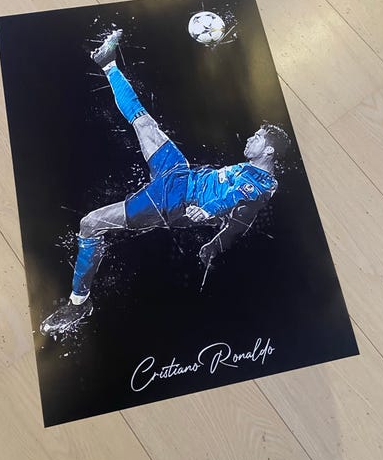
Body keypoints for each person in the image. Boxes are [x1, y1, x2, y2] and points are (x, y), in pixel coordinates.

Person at [41, 30, 290, 336]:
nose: (250, 139)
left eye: (257, 138)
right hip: (179, 172)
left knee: (90, 224)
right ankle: (108, 64)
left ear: (269, 151)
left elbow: (235, 197)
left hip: (172, 201)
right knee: (143, 120)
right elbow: (241, 222)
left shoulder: (261, 184)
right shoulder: (252, 172)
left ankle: (79, 304)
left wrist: (208, 210)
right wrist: (216, 244)